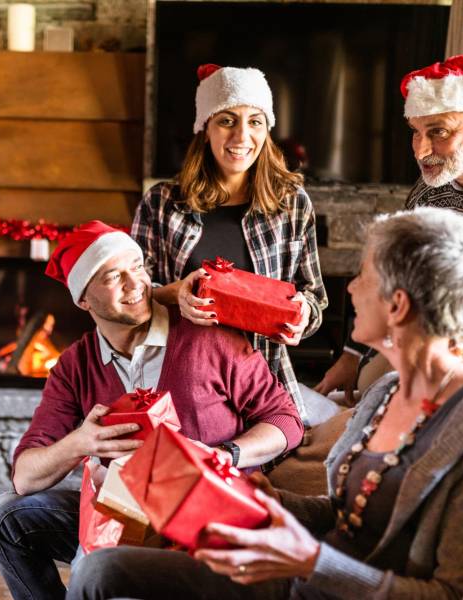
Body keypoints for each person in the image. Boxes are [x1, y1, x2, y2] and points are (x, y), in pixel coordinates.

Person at [67, 207, 463, 600]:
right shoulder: (387, 393)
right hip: (305, 576)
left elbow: (452, 595)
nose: (349, 289)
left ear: (398, 305)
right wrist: (274, 502)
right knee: (100, 568)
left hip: (321, 582)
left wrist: (311, 560)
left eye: (364, 276)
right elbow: (351, 514)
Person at [0, 220, 304, 600]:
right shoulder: (74, 365)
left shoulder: (208, 338)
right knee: (0, 516)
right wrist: (80, 442)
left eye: (137, 267)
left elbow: (286, 421)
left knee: (97, 566)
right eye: (113, 277)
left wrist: (223, 455)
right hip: (120, 512)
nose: (135, 285)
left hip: (205, 518)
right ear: (83, 299)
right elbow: (25, 478)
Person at [316, 54, 463, 402]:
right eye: (416, 132)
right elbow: (393, 274)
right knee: (373, 391)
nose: (422, 150)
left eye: (439, 132)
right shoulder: (430, 190)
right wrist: (352, 357)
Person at [134, 64, 328, 425]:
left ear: (266, 131)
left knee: (262, 478)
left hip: (263, 383)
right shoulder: (161, 203)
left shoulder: (292, 203)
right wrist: (176, 294)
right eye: (226, 120)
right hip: (180, 382)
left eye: (255, 121)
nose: (242, 135)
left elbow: (314, 297)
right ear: (204, 128)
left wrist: (302, 315)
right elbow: (133, 297)